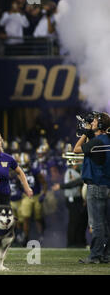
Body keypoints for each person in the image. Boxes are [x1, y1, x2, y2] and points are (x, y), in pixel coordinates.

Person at [73, 112, 110, 264]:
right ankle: (105, 254)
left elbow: (76, 149)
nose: (92, 123)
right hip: (106, 184)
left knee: (96, 224)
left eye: (95, 121)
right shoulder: (105, 140)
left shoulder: (97, 142)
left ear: (100, 125)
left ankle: (95, 255)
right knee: (105, 224)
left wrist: (85, 134)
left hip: (96, 185)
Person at [52, 149, 88, 248]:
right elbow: (76, 182)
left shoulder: (80, 170)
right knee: (74, 221)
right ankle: (72, 242)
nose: (81, 162)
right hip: (73, 199)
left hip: (80, 199)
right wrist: (61, 186)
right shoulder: (70, 171)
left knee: (82, 221)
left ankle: (80, 241)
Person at [18, 152, 47, 246]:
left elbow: (44, 183)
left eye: (25, 164)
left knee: (38, 217)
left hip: (36, 195)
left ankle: (41, 236)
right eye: (22, 165)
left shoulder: (35, 171)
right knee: (26, 218)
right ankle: (25, 237)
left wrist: (44, 194)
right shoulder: (18, 171)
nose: (24, 166)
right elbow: (16, 183)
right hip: (26, 196)